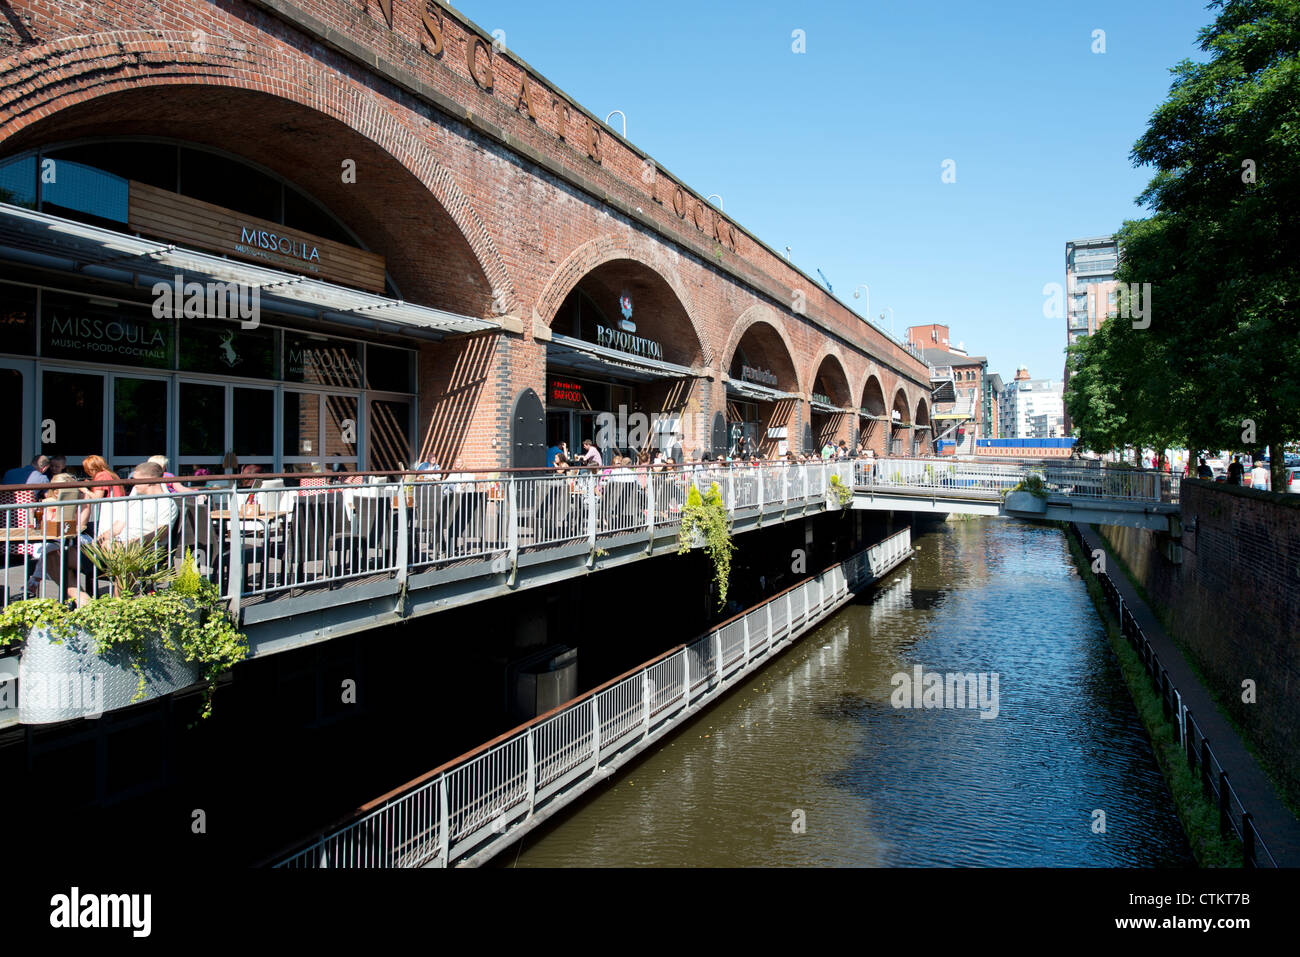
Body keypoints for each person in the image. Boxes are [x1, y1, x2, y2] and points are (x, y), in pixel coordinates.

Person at [67, 462, 178, 605]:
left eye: (136, 480)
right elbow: (118, 526)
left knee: (124, 556)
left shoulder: (166, 503)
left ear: (151, 481)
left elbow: (161, 533)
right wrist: (100, 539)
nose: (133, 484)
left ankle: (117, 604)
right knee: (56, 556)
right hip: (114, 548)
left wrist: (129, 543)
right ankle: (83, 600)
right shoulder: (136, 498)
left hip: (139, 552)